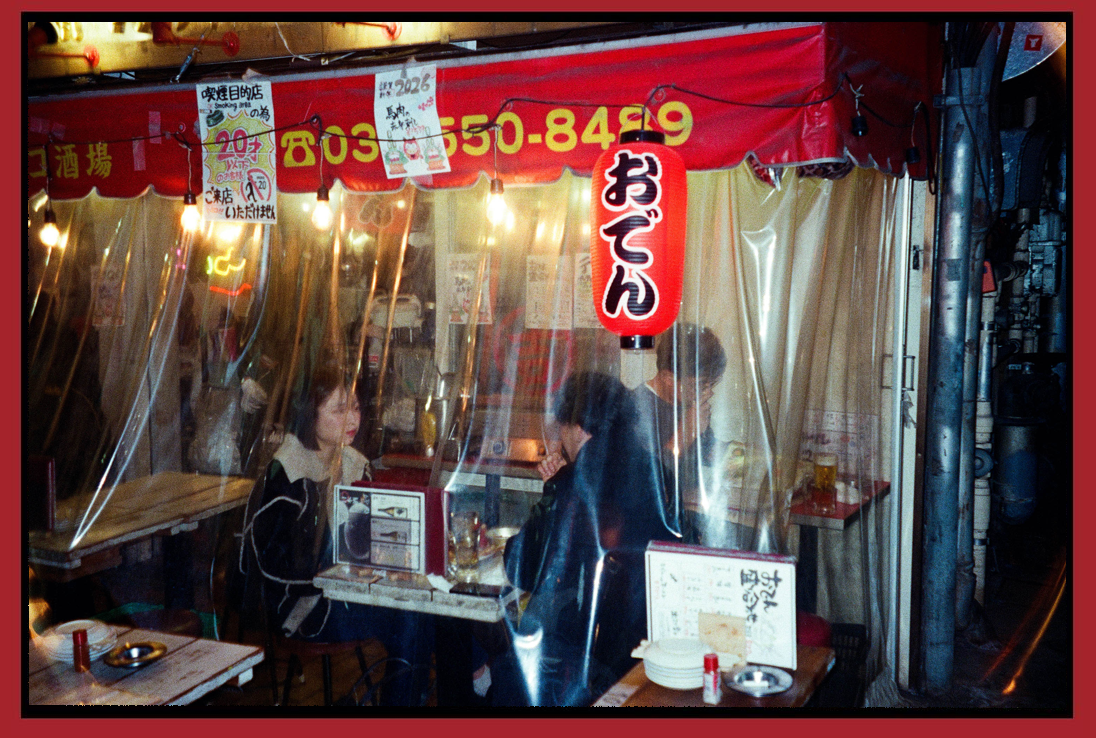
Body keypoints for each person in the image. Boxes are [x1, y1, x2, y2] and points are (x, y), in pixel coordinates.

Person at [240, 365, 433, 706]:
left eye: (355, 407)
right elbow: (265, 564)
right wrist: (327, 577)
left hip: (346, 593)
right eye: (339, 408)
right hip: (303, 609)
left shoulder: (355, 464)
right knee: (411, 620)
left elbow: (371, 539)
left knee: (426, 613)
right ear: (309, 414)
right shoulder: (286, 473)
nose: (352, 417)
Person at [492, 371, 677, 706]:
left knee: (505, 673)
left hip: (592, 661)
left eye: (562, 427)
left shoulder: (578, 480)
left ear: (577, 427)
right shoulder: (655, 467)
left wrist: (557, 485)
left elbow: (522, 565)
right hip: (655, 649)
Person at [631, 322, 727, 542]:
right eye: (701, 384)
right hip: (655, 533)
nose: (709, 393)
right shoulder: (636, 409)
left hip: (692, 520)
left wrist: (740, 455)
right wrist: (686, 432)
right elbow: (646, 484)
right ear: (667, 378)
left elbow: (707, 454)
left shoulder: (685, 403)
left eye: (711, 384)